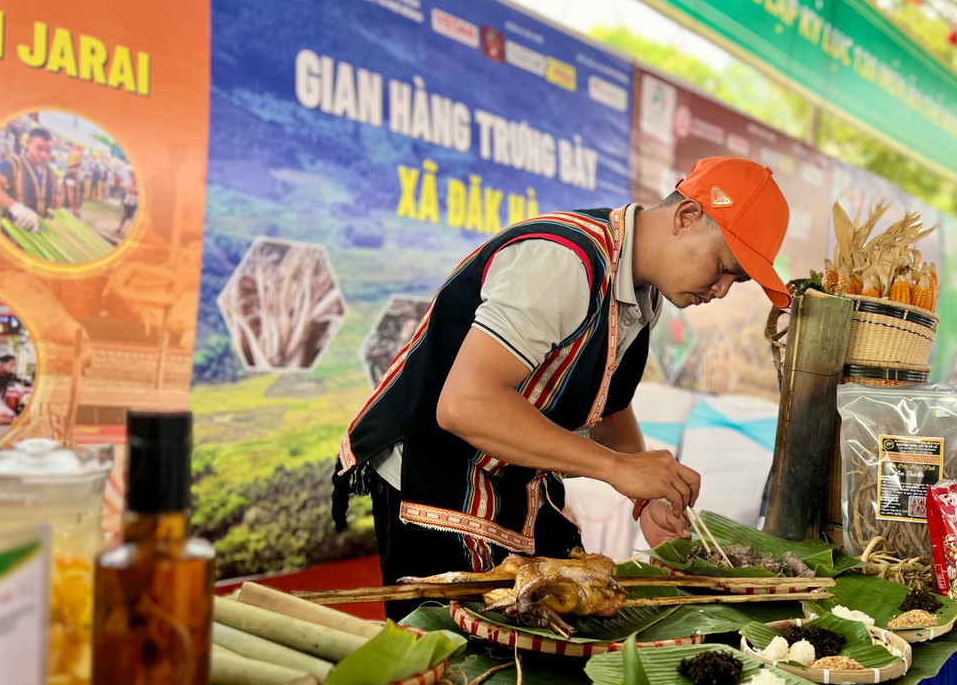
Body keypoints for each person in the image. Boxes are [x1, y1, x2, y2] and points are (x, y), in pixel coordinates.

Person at [331, 157, 791, 613]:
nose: (723, 290)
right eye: (724, 267)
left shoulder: (641, 289)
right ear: (687, 217)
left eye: (738, 279)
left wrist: (643, 496)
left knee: (571, 609)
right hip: (437, 476)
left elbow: (607, 405)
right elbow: (465, 403)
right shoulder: (566, 262)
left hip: (513, 477)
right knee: (457, 655)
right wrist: (614, 468)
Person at [0, 127, 60, 234]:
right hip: (15, 236)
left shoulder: (51, 173)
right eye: (39, 148)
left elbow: (56, 203)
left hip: (43, 238)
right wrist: (14, 207)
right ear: (29, 143)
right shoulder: (13, 164)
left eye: (48, 151)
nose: (44, 155)